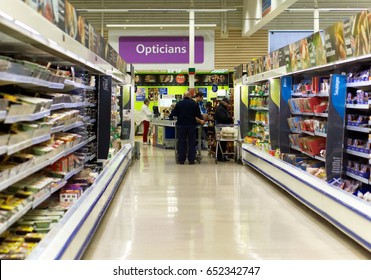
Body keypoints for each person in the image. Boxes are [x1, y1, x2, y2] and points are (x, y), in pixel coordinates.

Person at [170, 91, 205, 164]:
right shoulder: (194, 104)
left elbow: (174, 114)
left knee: (181, 142)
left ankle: (181, 160)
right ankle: (191, 160)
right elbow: (198, 115)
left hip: (181, 126)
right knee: (191, 143)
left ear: (183, 96)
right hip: (191, 126)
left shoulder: (179, 104)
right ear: (190, 96)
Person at [214, 97, 233, 162]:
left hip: (222, 127)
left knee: (223, 143)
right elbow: (223, 118)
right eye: (227, 104)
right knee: (222, 143)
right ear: (224, 103)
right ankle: (220, 156)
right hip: (221, 128)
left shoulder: (222, 108)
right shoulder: (220, 109)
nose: (228, 105)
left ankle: (222, 155)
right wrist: (231, 119)